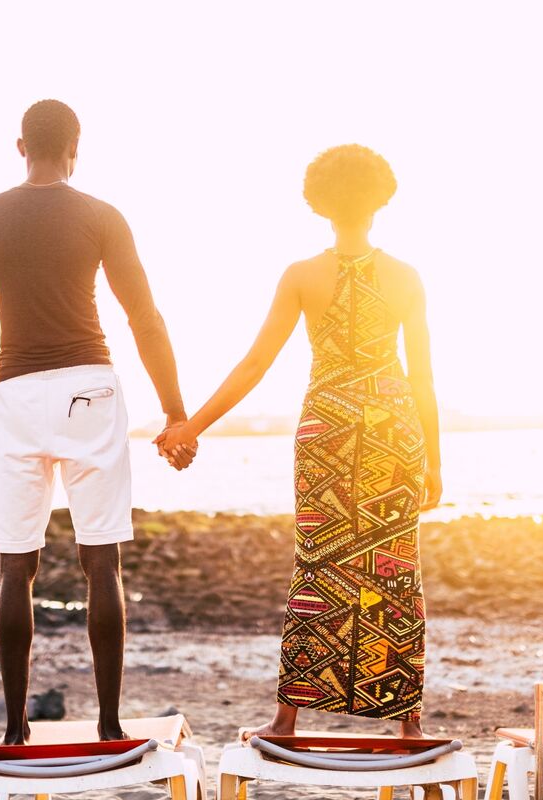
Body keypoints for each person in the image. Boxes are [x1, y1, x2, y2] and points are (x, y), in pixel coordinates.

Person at [158, 144, 441, 737]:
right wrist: (435, 464)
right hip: (393, 430)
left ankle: (287, 718)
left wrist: (192, 426)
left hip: (328, 431)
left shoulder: (303, 276)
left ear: (320, 202)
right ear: (380, 198)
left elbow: (257, 362)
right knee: (394, 570)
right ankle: (408, 722)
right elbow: (422, 378)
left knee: (316, 566)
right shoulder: (405, 277)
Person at [0, 99, 194, 743]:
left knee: (14, 567)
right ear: (76, 148)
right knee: (102, 562)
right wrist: (174, 410)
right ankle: (110, 722)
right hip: (92, 385)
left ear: (20, 146)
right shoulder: (101, 215)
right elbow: (146, 319)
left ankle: (14, 729)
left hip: (17, 393)